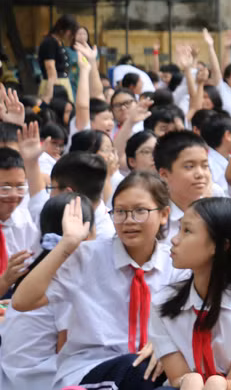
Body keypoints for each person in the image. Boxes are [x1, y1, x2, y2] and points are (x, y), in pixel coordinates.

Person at [12, 173, 184, 389]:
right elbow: (22, 302)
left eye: (140, 211)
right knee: (139, 369)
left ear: (164, 214)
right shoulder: (86, 257)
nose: (129, 220)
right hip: (91, 368)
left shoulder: (176, 265)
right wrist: (67, 245)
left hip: (154, 369)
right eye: (120, 212)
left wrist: (165, 344)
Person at [150, 197, 231, 389]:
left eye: (187, 231)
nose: (175, 239)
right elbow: (178, 377)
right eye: (179, 229)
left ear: (221, 246)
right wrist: (190, 381)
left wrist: (215, 384)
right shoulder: (163, 303)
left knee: (216, 384)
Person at [1, 193, 94, 390]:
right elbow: (66, 348)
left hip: (9, 372)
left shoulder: (39, 267)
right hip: (36, 377)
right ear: (85, 233)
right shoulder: (67, 274)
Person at [154, 131, 214, 243]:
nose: (200, 174)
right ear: (164, 175)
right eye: (189, 167)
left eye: (205, 166)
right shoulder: (154, 220)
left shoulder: (215, 214)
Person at [0, 148, 39, 297]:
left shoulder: (25, 222)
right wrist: (5, 280)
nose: (14, 195)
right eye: (5, 188)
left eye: (20, 187)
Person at [38, 15, 78, 102]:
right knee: (51, 110)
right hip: (54, 84)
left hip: (63, 82)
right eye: (70, 31)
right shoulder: (49, 42)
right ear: (62, 29)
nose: (70, 35)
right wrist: (54, 88)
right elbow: (50, 67)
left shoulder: (59, 42)